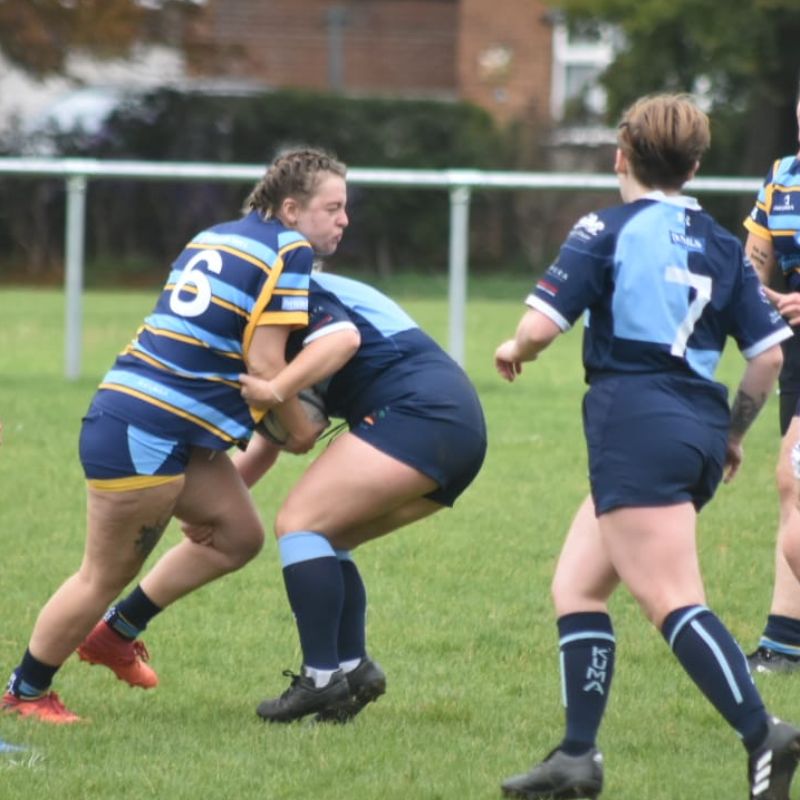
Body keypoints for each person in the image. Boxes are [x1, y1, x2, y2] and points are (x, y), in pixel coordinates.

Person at [494, 94, 800, 800]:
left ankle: (765, 736)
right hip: (691, 428)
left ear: (620, 154)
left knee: (671, 600)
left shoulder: (605, 226)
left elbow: (541, 327)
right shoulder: (723, 245)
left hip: (636, 425)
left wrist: (516, 346)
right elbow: (769, 358)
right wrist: (731, 436)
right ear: (694, 166)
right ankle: (576, 758)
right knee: (577, 586)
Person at [1, 147, 348, 724]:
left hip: (153, 419)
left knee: (238, 535)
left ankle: (115, 636)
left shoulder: (214, 235)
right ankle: (25, 692)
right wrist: (301, 429)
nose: (343, 220)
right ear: (292, 209)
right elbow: (263, 364)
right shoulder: (290, 249)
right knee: (101, 575)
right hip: (145, 427)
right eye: (332, 208)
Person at [82, 270, 488, 724]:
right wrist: (211, 508)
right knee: (327, 536)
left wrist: (272, 407)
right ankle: (352, 669)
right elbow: (268, 447)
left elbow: (298, 430)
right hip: (458, 424)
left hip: (420, 413)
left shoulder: (284, 299)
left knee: (300, 524)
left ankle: (320, 677)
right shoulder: (291, 299)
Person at [743, 95, 800, 675]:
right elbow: (752, 266)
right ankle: (783, 644)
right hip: (797, 347)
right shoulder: (783, 178)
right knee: (792, 487)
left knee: (795, 481)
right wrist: (759, 295)